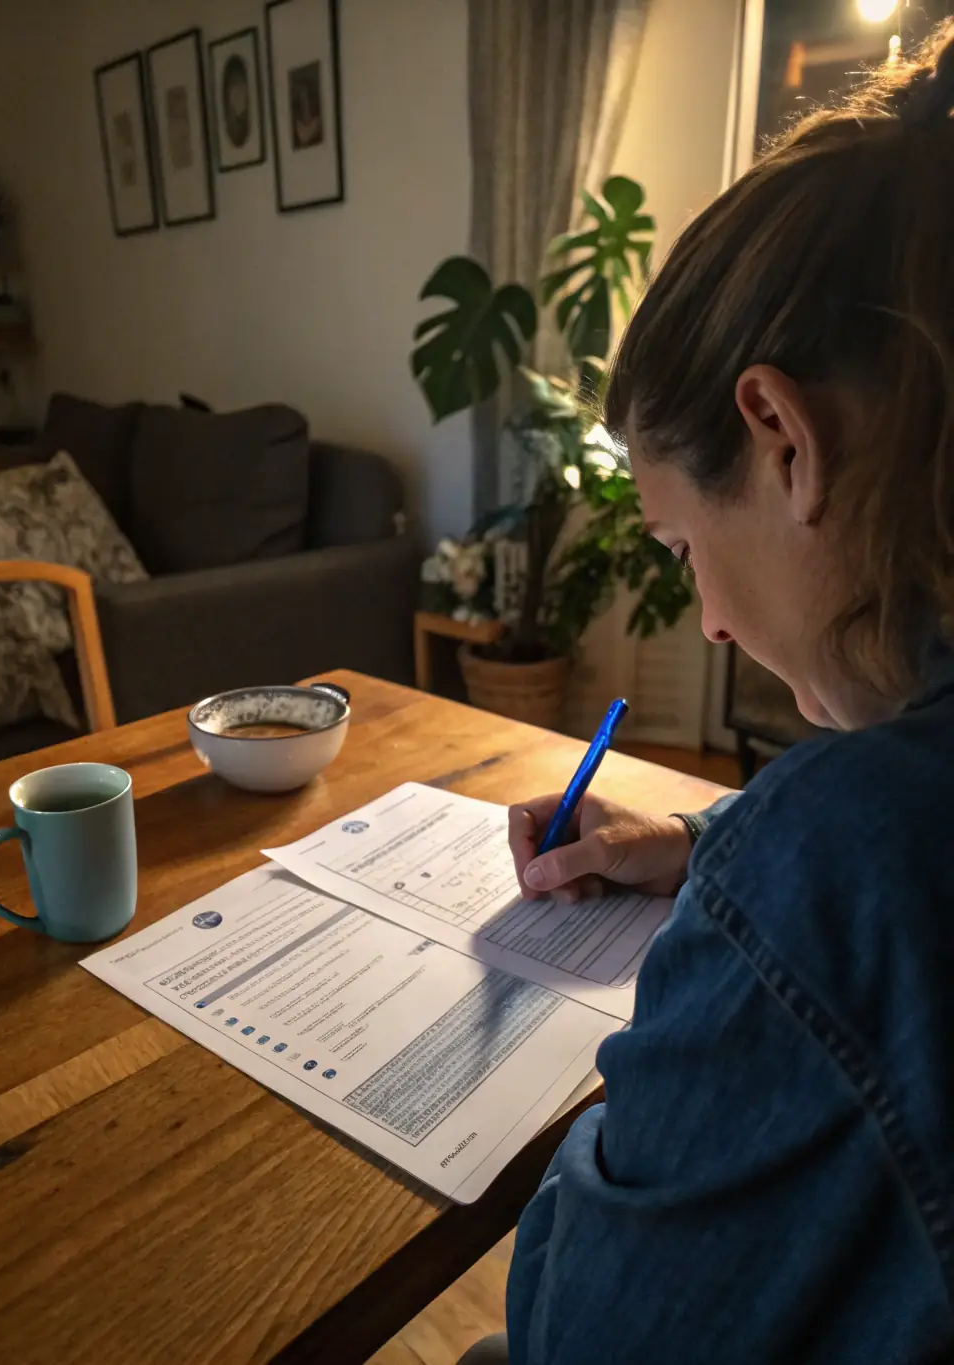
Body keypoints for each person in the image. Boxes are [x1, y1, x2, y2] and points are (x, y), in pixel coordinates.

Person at [474, 20, 954, 1365]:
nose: (717, 623)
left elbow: (572, 1335)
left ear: (783, 436)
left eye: (686, 551)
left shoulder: (837, 865)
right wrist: (700, 843)